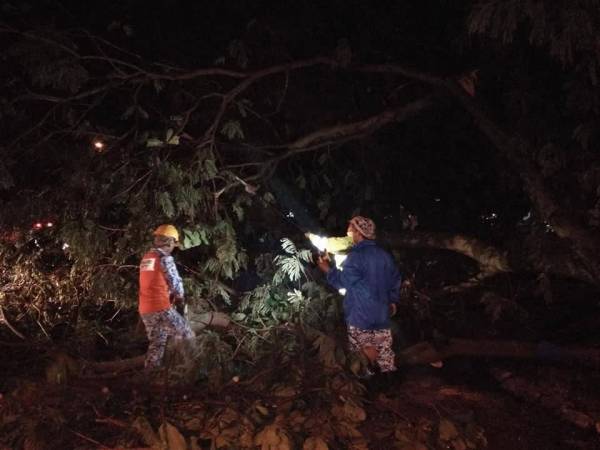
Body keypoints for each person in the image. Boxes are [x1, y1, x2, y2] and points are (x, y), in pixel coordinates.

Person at [317, 216, 402, 378]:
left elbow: (343, 282)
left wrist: (327, 269)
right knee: (382, 351)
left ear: (358, 232)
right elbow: (395, 279)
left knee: (362, 356)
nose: (348, 231)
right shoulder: (384, 256)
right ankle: (390, 385)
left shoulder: (356, 257)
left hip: (360, 313)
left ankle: (367, 387)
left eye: (350, 228)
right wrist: (392, 301)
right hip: (382, 312)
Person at [139, 224, 194, 369]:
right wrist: (180, 298)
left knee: (157, 344)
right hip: (160, 308)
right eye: (173, 243)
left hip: (146, 309)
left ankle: (150, 376)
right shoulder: (164, 258)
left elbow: (154, 281)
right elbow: (175, 281)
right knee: (186, 332)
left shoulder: (147, 258)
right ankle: (193, 369)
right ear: (169, 242)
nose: (173, 247)